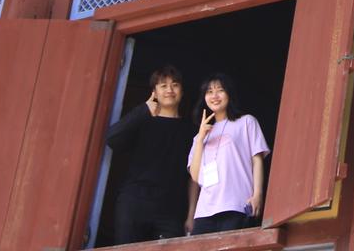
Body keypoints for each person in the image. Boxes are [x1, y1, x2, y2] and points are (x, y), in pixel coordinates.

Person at [104, 64, 198, 243]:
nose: (169, 90)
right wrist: (143, 109)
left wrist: (191, 214)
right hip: (135, 202)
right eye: (163, 85)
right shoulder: (143, 121)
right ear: (154, 92)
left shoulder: (191, 131)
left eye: (175, 85)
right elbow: (112, 139)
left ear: (182, 91)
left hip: (171, 208)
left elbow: (193, 176)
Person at [187, 74, 270, 235]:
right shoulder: (199, 137)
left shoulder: (246, 122)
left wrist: (258, 195)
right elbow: (196, 176)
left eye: (220, 90)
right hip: (204, 211)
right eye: (209, 91)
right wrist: (200, 139)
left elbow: (257, 160)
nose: (214, 95)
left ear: (229, 93)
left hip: (236, 204)